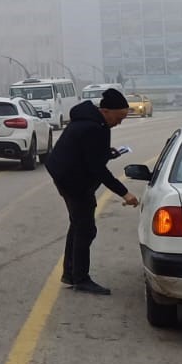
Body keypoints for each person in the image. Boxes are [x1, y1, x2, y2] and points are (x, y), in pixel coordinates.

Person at [45, 86, 139, 295]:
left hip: (66, 176)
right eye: (119, 117)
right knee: (86, 229)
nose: (120, 122)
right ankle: (80, 278)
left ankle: (71, 273)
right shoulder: (93, 127)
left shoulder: (93, 123)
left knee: (78, 226)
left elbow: (90, 154)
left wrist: (106, 153)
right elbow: (97, 169)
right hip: (73, 181)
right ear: (106, 111)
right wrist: (125, 193)